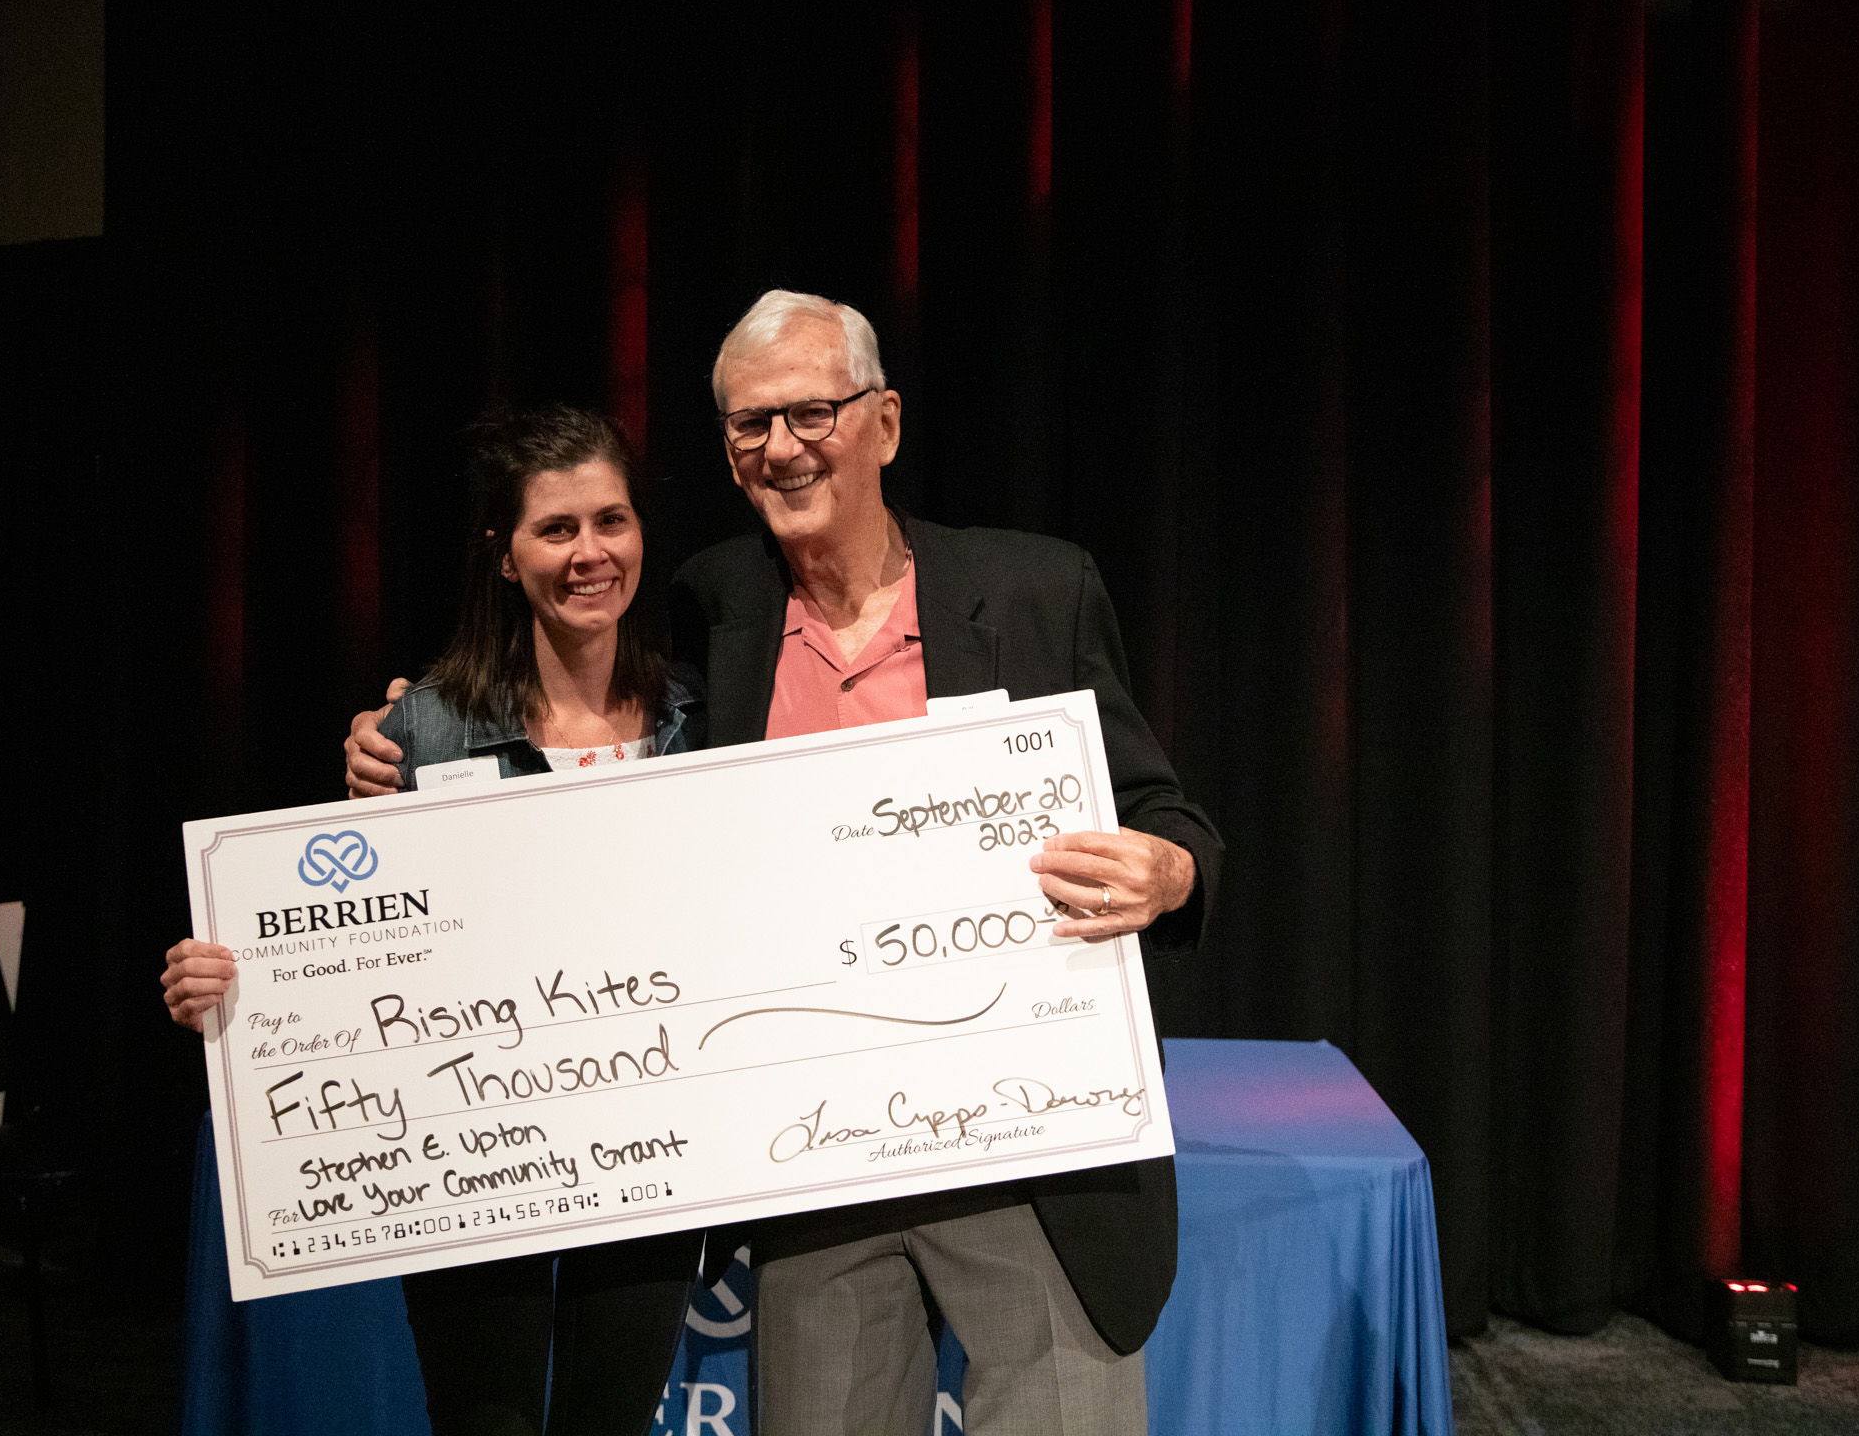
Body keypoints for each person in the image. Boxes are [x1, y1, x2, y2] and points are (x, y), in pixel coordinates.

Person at [347, 292, 1222, 1434]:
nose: (782, 446)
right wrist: (409, 726)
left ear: (886, 424)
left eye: (812, 410)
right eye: (749, 424)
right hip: (817, 1176)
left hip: (1030, 1164)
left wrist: (1172, 871)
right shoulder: (714, 609)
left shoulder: (1031, 589)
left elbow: (1164, 808)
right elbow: (569, 677)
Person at [164, 403, 704, 1436]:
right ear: (505, 557)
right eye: (557, 529)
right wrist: (230, 979)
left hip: (650, 1144)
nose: (591, 552)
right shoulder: (425, 727)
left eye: (612, 520)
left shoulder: (701, 717)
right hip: (477, 1148)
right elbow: (351, 942)